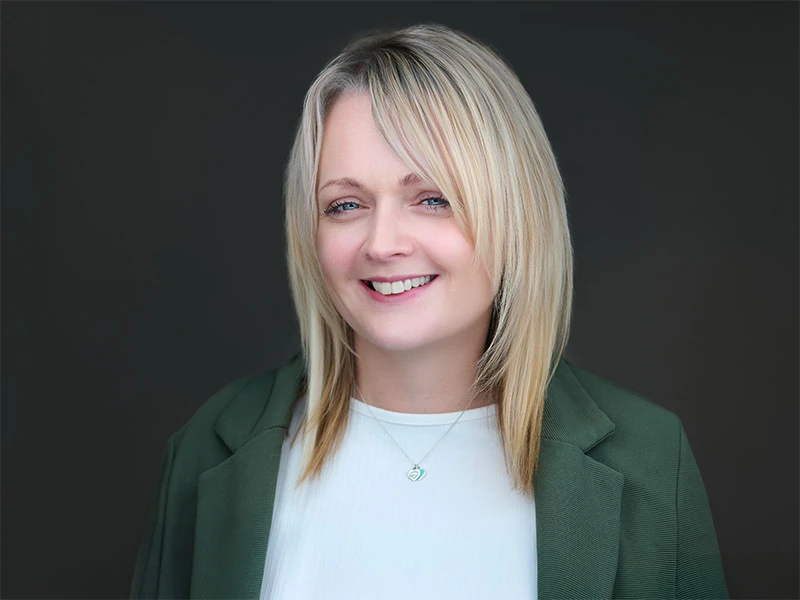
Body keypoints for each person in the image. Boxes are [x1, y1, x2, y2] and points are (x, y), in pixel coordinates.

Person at [130, 24, 728, 599]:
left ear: (516, 214)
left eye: (433, 199)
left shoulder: (649, 459)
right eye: (345, 205)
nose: (382, 243)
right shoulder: (212, 445)